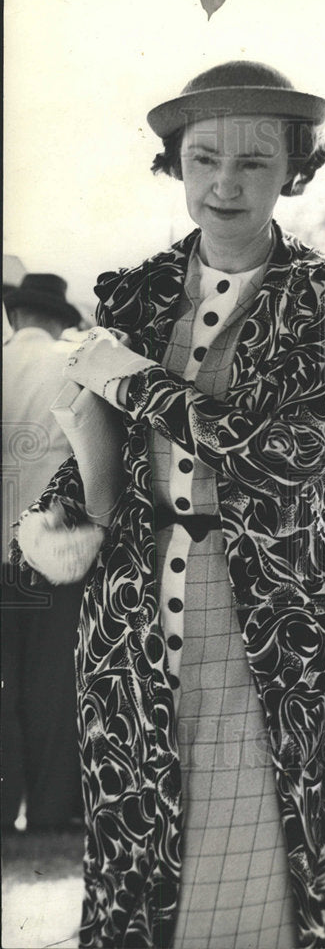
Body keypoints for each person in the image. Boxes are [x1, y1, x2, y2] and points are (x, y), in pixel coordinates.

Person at [13, 61, 325, 949]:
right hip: (130, 628)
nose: (225, 182)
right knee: (139, 851)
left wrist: (133, 378)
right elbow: (98, 439)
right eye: (203, 158)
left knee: (263, 845)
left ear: (293, 168)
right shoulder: (131, 293)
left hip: (266, 622)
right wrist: (58, 514)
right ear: (174, 165)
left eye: (254, 162)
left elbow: (278, 456)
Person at [1, 274, 84, 832]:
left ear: (14, 318)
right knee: (52, 685)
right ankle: (53, 813)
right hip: (51, 552)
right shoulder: (71, 366)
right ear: (59, 320)